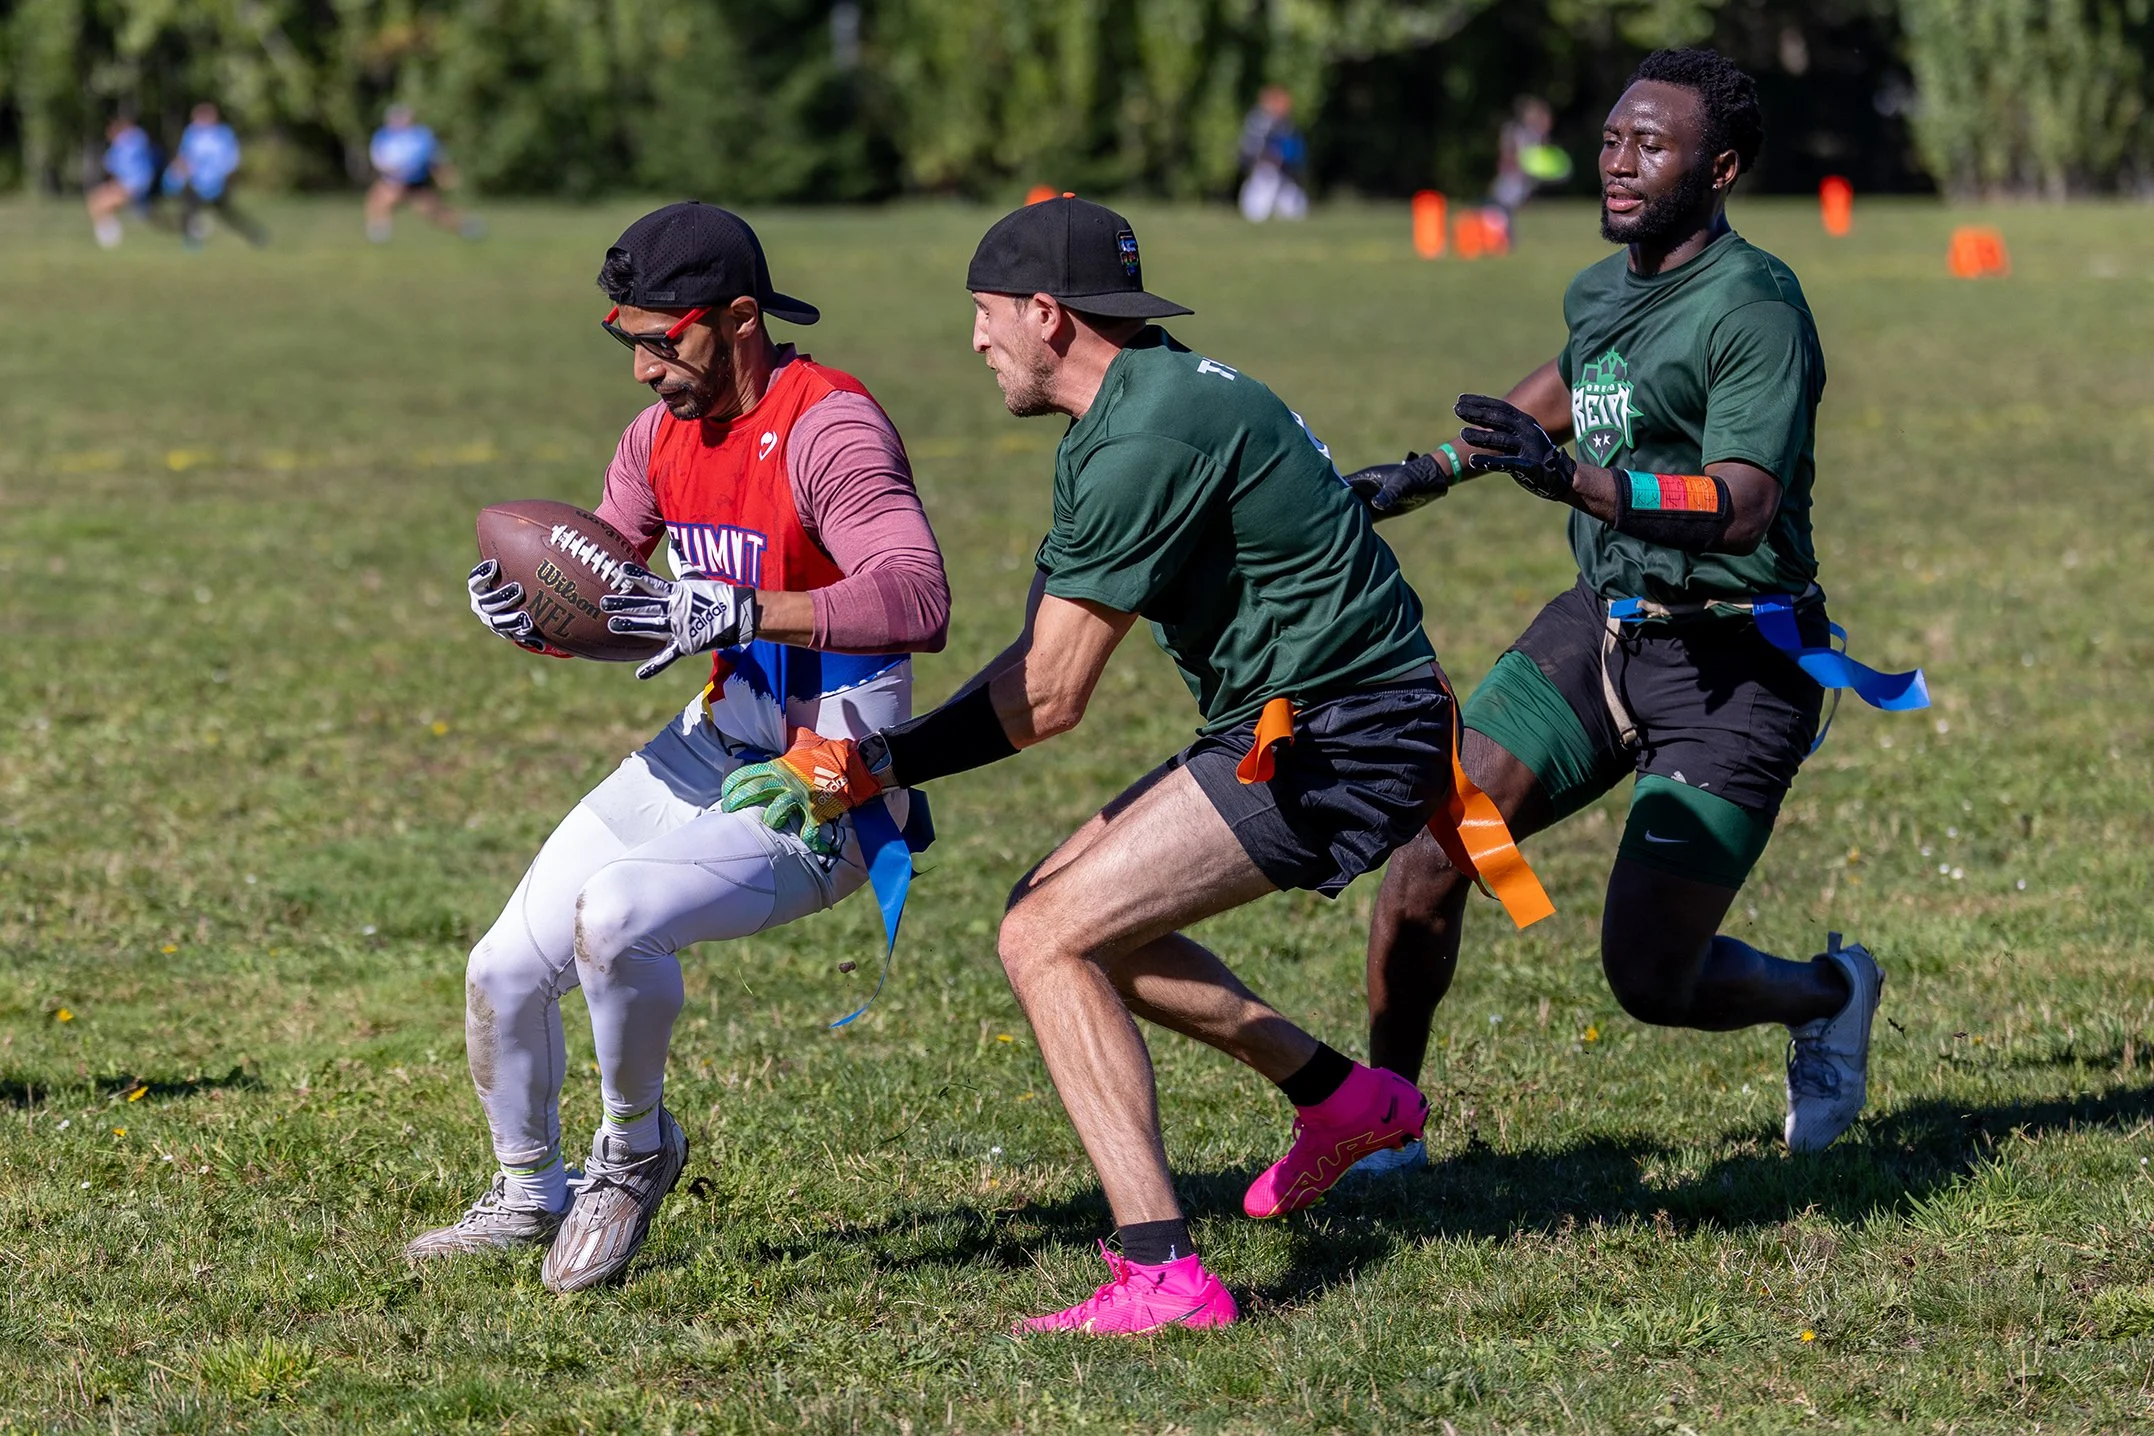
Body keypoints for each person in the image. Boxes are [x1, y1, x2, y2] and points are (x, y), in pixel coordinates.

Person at [719, 198, 1544, 1335]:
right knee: (1061, 909)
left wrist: (866, 764)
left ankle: (1163, 1274)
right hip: (1311, 718)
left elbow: (1050, 696)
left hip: (1339, 738)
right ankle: (1343, 1098)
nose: (975, 339)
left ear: (1047, 314)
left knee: (1043, 936)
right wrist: (870, 760)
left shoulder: (1143, 437)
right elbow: (1042, 649)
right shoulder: (1143, 402)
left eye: (986, 313)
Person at [1341, 49, 1919, 1179]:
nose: (1618, 162)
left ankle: (1829, 990)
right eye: (1612, 140)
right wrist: (1433, 468)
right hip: (1598, 628)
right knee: (1426, 857)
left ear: (1722, 169)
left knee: (1650, 977)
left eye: (1650, 146)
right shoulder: (1603, 288)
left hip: (1737, 663)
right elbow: (1573, 378)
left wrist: (1578, 483)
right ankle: (1386, 1123)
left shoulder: (1755, 307)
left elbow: (1743, 506)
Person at [405, 202, 951, 1293]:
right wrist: (536, 618)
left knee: (615, 916)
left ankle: (634, 1151)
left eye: (664, 341)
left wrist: (745, 609)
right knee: (502, 968)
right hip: (714, 739)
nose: (644, 369)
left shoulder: (829, 426)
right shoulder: (657, 437)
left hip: (832, 776)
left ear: (740, 318)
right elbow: (621, 600)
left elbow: (918, 594)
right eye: (629, 341)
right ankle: (528, 1189)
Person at [365, 105, 482, 243]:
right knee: (378, 202)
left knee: (433, 212)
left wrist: (443, 174)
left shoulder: (422, 136)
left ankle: (468, 227)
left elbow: (434, 158)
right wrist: (392, 171)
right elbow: (379, 158)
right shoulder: (383, 135)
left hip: (417, 183)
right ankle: (379, 236)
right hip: (392, 180)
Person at [162, 103, 266, 247]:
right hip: (195, 182)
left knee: (227, 213)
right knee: (189, 208)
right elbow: (184, 157)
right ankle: (191, 240)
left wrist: (226, 178)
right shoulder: (191, 133)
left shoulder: (224, 134)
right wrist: (178, 172)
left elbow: (231, 160)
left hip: (217, 183)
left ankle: (254, 234)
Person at [1237, 86, 1309, 222]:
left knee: (1292, 207)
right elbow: (1251, 149)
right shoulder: (1259, 122)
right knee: (1259, 203)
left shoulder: (1286, 124)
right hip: (1264, 169)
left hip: (1284, 171)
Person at [87, 117, 158, 250]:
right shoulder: (116, 150)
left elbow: (139, 142)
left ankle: (110, 236)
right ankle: (108, 234)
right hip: (124, 185)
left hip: (135, 186)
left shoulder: (134, 141)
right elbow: (114, 171)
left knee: (102, 204)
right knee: (94, 200)